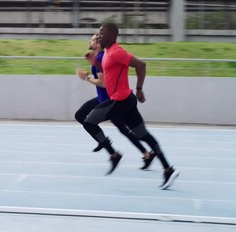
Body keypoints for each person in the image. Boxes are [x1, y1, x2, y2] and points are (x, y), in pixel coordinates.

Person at [82, 23, 179, 190]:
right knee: (143, 135)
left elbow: (141, 65)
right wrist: (94, 63)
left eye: (102, 34)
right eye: (98, 34)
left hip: (119, 100)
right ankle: (168, 169)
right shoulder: (108, 53)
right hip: (126, 100)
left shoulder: (117, 51)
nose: (99, 36)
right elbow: (109, 69)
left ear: (112, 36)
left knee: (88, 122)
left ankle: (114, 155)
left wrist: (140, 89)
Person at [75, 34, 156, 170]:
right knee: (80, 115)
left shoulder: (101, 57)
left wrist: (86, 77)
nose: (90, 40)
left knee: (125, 130)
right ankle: (104, 141)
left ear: (99, 44)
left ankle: (144, 154)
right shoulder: (99, 58)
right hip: (102, 99)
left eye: (94, 39)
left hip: (111, 101)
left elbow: (103, 83)